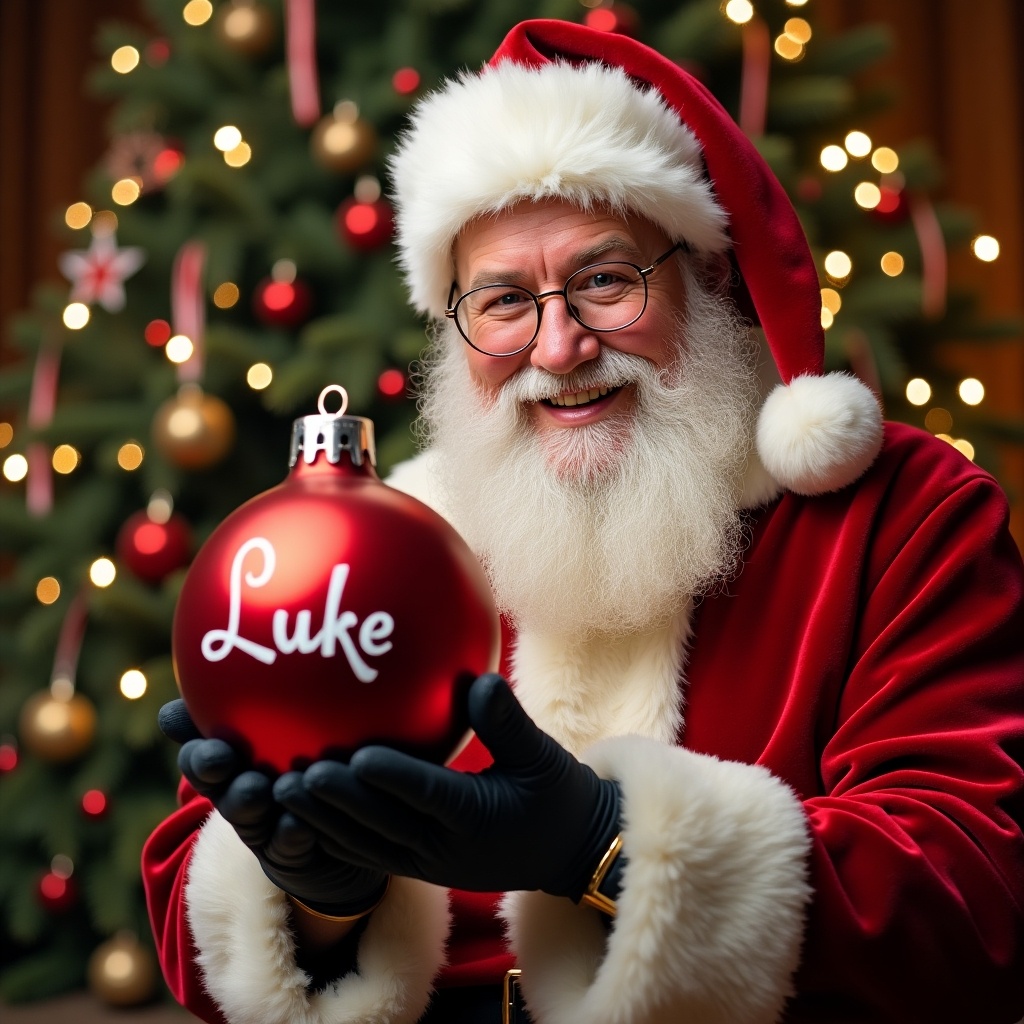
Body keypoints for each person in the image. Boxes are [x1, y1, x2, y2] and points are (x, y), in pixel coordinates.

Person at [142, 18, 1024, 1024]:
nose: (557, 348)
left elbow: (979, 894)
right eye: (504, 301)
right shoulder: (387, 548)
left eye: (605, 280)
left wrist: (607, 842)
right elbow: (193, 918)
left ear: (708, 277)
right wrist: (318, 900)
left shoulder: (901, 514)